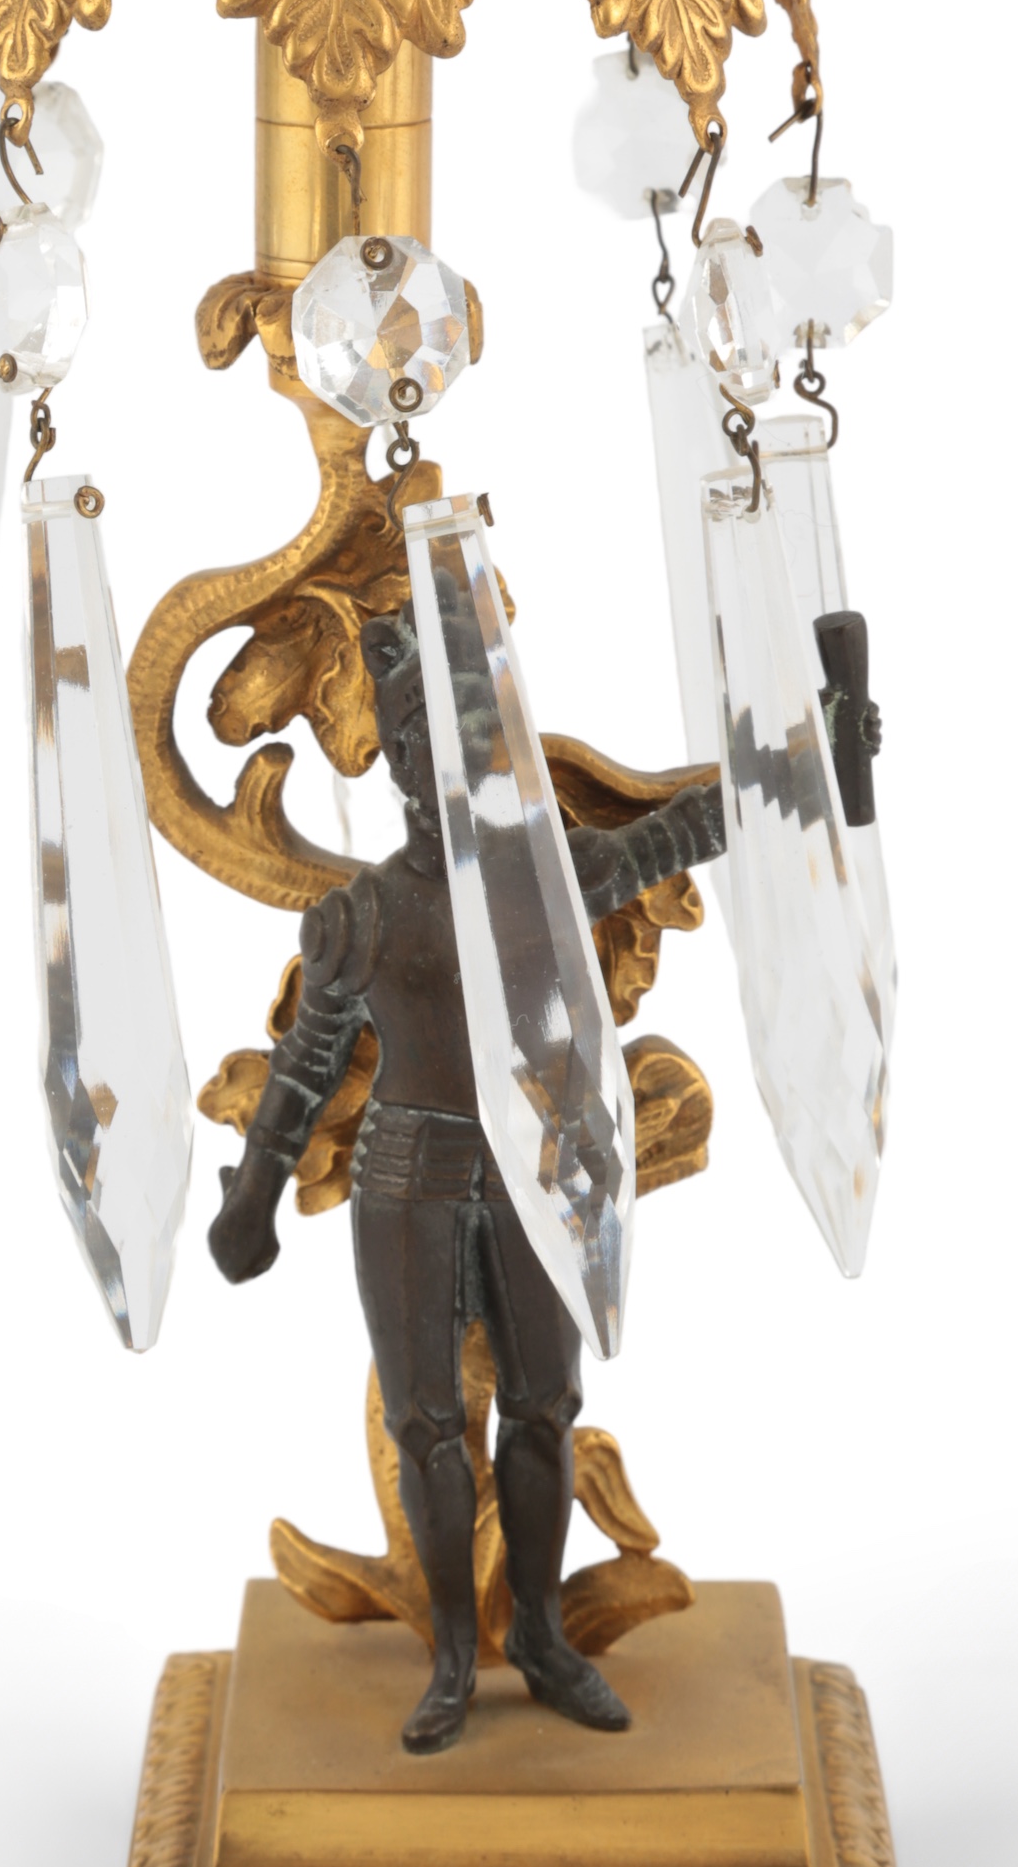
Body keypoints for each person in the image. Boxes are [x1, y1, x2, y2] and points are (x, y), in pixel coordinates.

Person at [209, 598, 725, 1753]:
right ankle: (451, 1652)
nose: (436, 764)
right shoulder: (362, 914)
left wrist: (809, 759)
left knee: (543, 1404)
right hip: (406, 1179)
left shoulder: (549, 881)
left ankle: (537, 1631)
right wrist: (252, 1200)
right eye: (415, 741)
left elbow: (689, 828)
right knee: (427, 1421)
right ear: (391, 757)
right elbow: (305, 1066)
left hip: (531, 1166)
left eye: (458, 739)